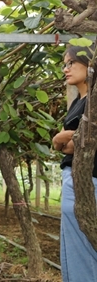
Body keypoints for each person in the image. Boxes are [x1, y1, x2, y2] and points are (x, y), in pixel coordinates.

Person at [52, 45, 97, 281]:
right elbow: (62, 142)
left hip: (91, 178)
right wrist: (68, 138)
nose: (65, 69)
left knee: (84, 241)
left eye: (70, 63)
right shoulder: (78, 102)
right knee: (75, 240)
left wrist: (67, 138)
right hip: (74, 174)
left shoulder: (95, 100)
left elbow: (78, 139)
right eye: (64, 64)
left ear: (89, 63)